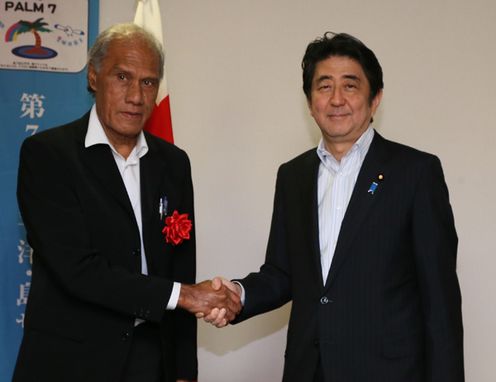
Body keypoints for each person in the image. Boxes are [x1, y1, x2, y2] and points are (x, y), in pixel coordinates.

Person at [206, 32, 464, 381]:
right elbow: (282, 273)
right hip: (309, 370)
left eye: (351, 86)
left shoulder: (416, 173)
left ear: (375, 99)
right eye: (324, 86)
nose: (337, 99)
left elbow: (441, 302)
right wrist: (238, 293)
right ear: (310, 103)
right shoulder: (292, 176)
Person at [13, 23, 240, 382]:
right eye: (122, 77)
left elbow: (181, 265)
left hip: (151, 360)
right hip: (70, 362)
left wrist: (183, 370)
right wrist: (182, 296)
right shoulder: (48, 156)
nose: (136, 95)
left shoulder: (173, 163)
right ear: (93, 76)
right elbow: (78, 270)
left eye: (148, 82)